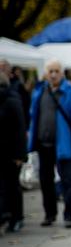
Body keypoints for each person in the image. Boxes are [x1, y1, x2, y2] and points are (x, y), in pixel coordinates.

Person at [28, 59, 71, 228]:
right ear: (46, 73)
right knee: (45, 182)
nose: (53, 74)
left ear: (62, 73)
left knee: (70, 181)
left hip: (65, 144)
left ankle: (69, 215)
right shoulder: (39, 91)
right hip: (43, 144)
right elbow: (33, 116)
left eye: (56, 71)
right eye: (50, 71)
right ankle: (49, 214)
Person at [0, 70, 27, 233]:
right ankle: (7, 216)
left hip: (11, 153)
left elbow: (20, 128)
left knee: (12, 186)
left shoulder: (12, 100)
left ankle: (16, 217)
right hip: (7, 152)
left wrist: (19, 154)